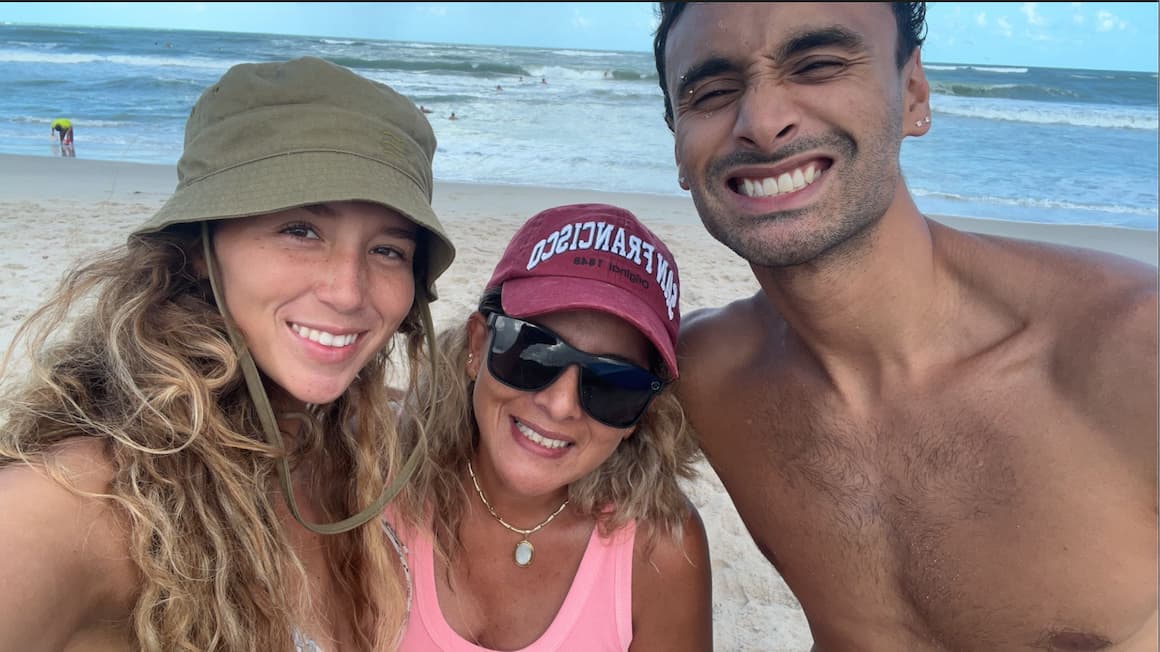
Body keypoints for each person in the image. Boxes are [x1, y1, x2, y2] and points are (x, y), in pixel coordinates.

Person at [652, 3, 1157, 651]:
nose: (762, 122)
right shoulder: (703, 375)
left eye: (818, 65)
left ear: (913, 93)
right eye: (713, 92)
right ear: (676, 143)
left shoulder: (1130, 351)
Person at [0, 56, 456, 651]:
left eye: (389, 250)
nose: (348, 292)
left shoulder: (356, 447)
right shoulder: (86, 501)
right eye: (300, 230)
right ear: (198, 247)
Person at [390, 203, 713, 650]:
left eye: (612, 383)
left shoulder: (660, 551)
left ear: (641, 413)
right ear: (477, 345)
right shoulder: (375, 481)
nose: (561, 405)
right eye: (533, 353)